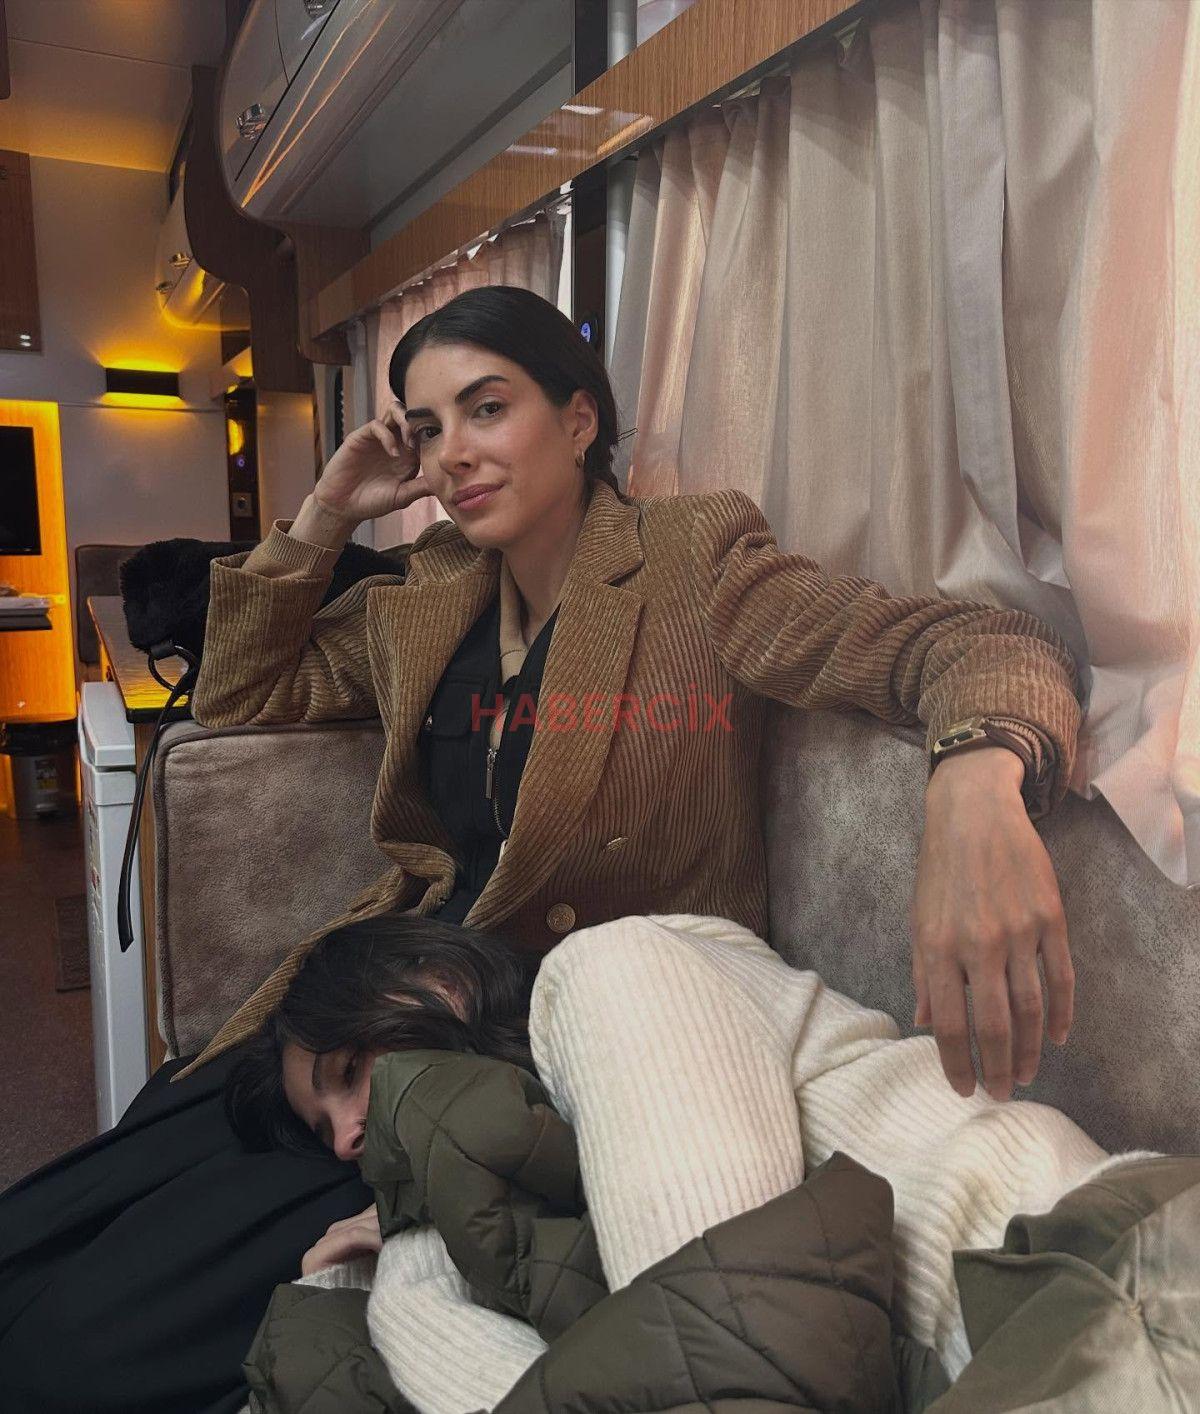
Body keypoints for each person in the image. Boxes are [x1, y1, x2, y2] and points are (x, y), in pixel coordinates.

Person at [0, 284, 1083, 1413]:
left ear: (577, 419)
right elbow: (237, 694)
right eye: (429, 429)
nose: (453, 455)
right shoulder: (431, 593)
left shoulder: (693, 560)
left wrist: (977, 782)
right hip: (379, 1009)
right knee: (51, 1234)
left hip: (531, 1054)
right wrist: (326, 512)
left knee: (84, 1349)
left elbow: (966, 641)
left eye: (487, 408)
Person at [232, 910, 1183, 1414]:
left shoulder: (610, 969)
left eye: (350, 1075)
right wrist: (374, 1276)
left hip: (1097, 1282)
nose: (349, 1136)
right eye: (327, 1129)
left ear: (437, 984)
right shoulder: (510, 1195)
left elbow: (720, 1342)